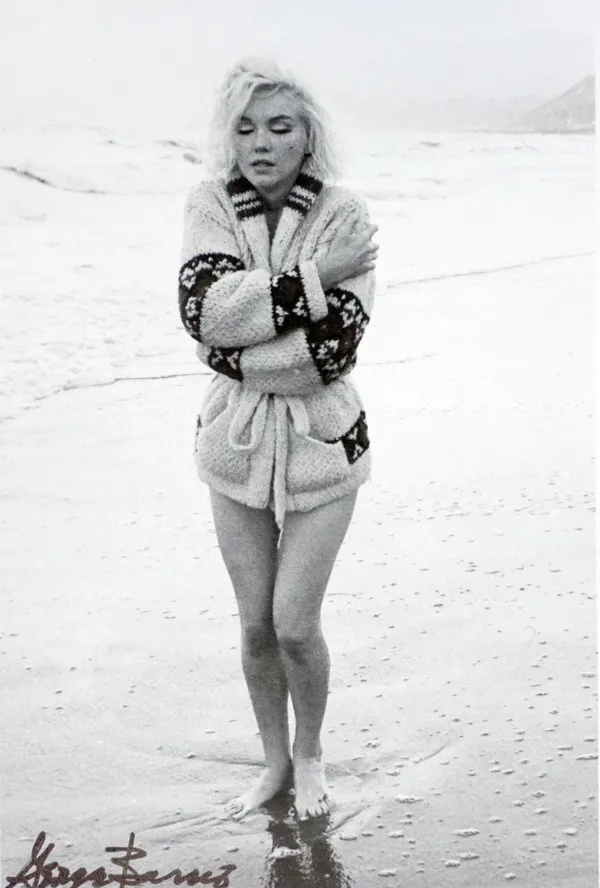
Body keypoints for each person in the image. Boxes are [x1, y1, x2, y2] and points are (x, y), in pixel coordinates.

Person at [178, 57, 378, 822]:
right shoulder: (207, 205)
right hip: (232, 443)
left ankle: (311, 755)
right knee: (255, 624)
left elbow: (332, 353)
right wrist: (314, 281)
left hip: (326, 443)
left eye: (280, 126)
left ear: (308, 137)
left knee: (295, 625)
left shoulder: (346, 216)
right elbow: (204, 315)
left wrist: (236, 347)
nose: (260, 142)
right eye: (245, 127)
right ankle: (271, 761)